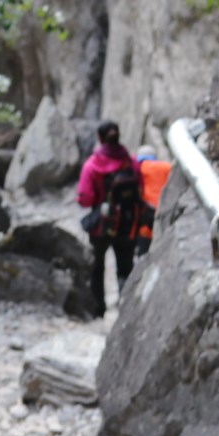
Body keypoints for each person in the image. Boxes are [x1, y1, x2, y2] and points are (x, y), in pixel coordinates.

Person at [77, 121, 143, 313]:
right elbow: (140, 189)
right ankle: (127, 308)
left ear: (99, 138)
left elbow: (85, 199)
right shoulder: (131, 161)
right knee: (125, 266)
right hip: (128, 222)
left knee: (97, 267)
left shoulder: (92, 165)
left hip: (102, 224)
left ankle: (99, 308)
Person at [134, 145, 172, 257]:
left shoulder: (137, 169)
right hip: (164, 216)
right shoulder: (167, 167)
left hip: (144, 220)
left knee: (143, 255)